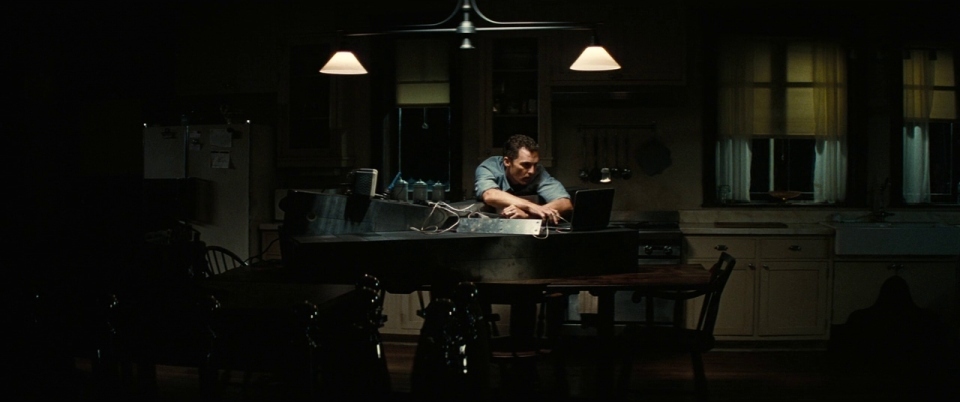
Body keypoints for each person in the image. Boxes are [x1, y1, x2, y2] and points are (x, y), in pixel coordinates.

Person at [474, 134, 572, 225]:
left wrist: (527, 216)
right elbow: (490, 195)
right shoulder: (490, 167)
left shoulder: (538, 172)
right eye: (526, 165)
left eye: (535, 164)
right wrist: (532, 207)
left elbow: (565, 203)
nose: (532, 171)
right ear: (507, 161)